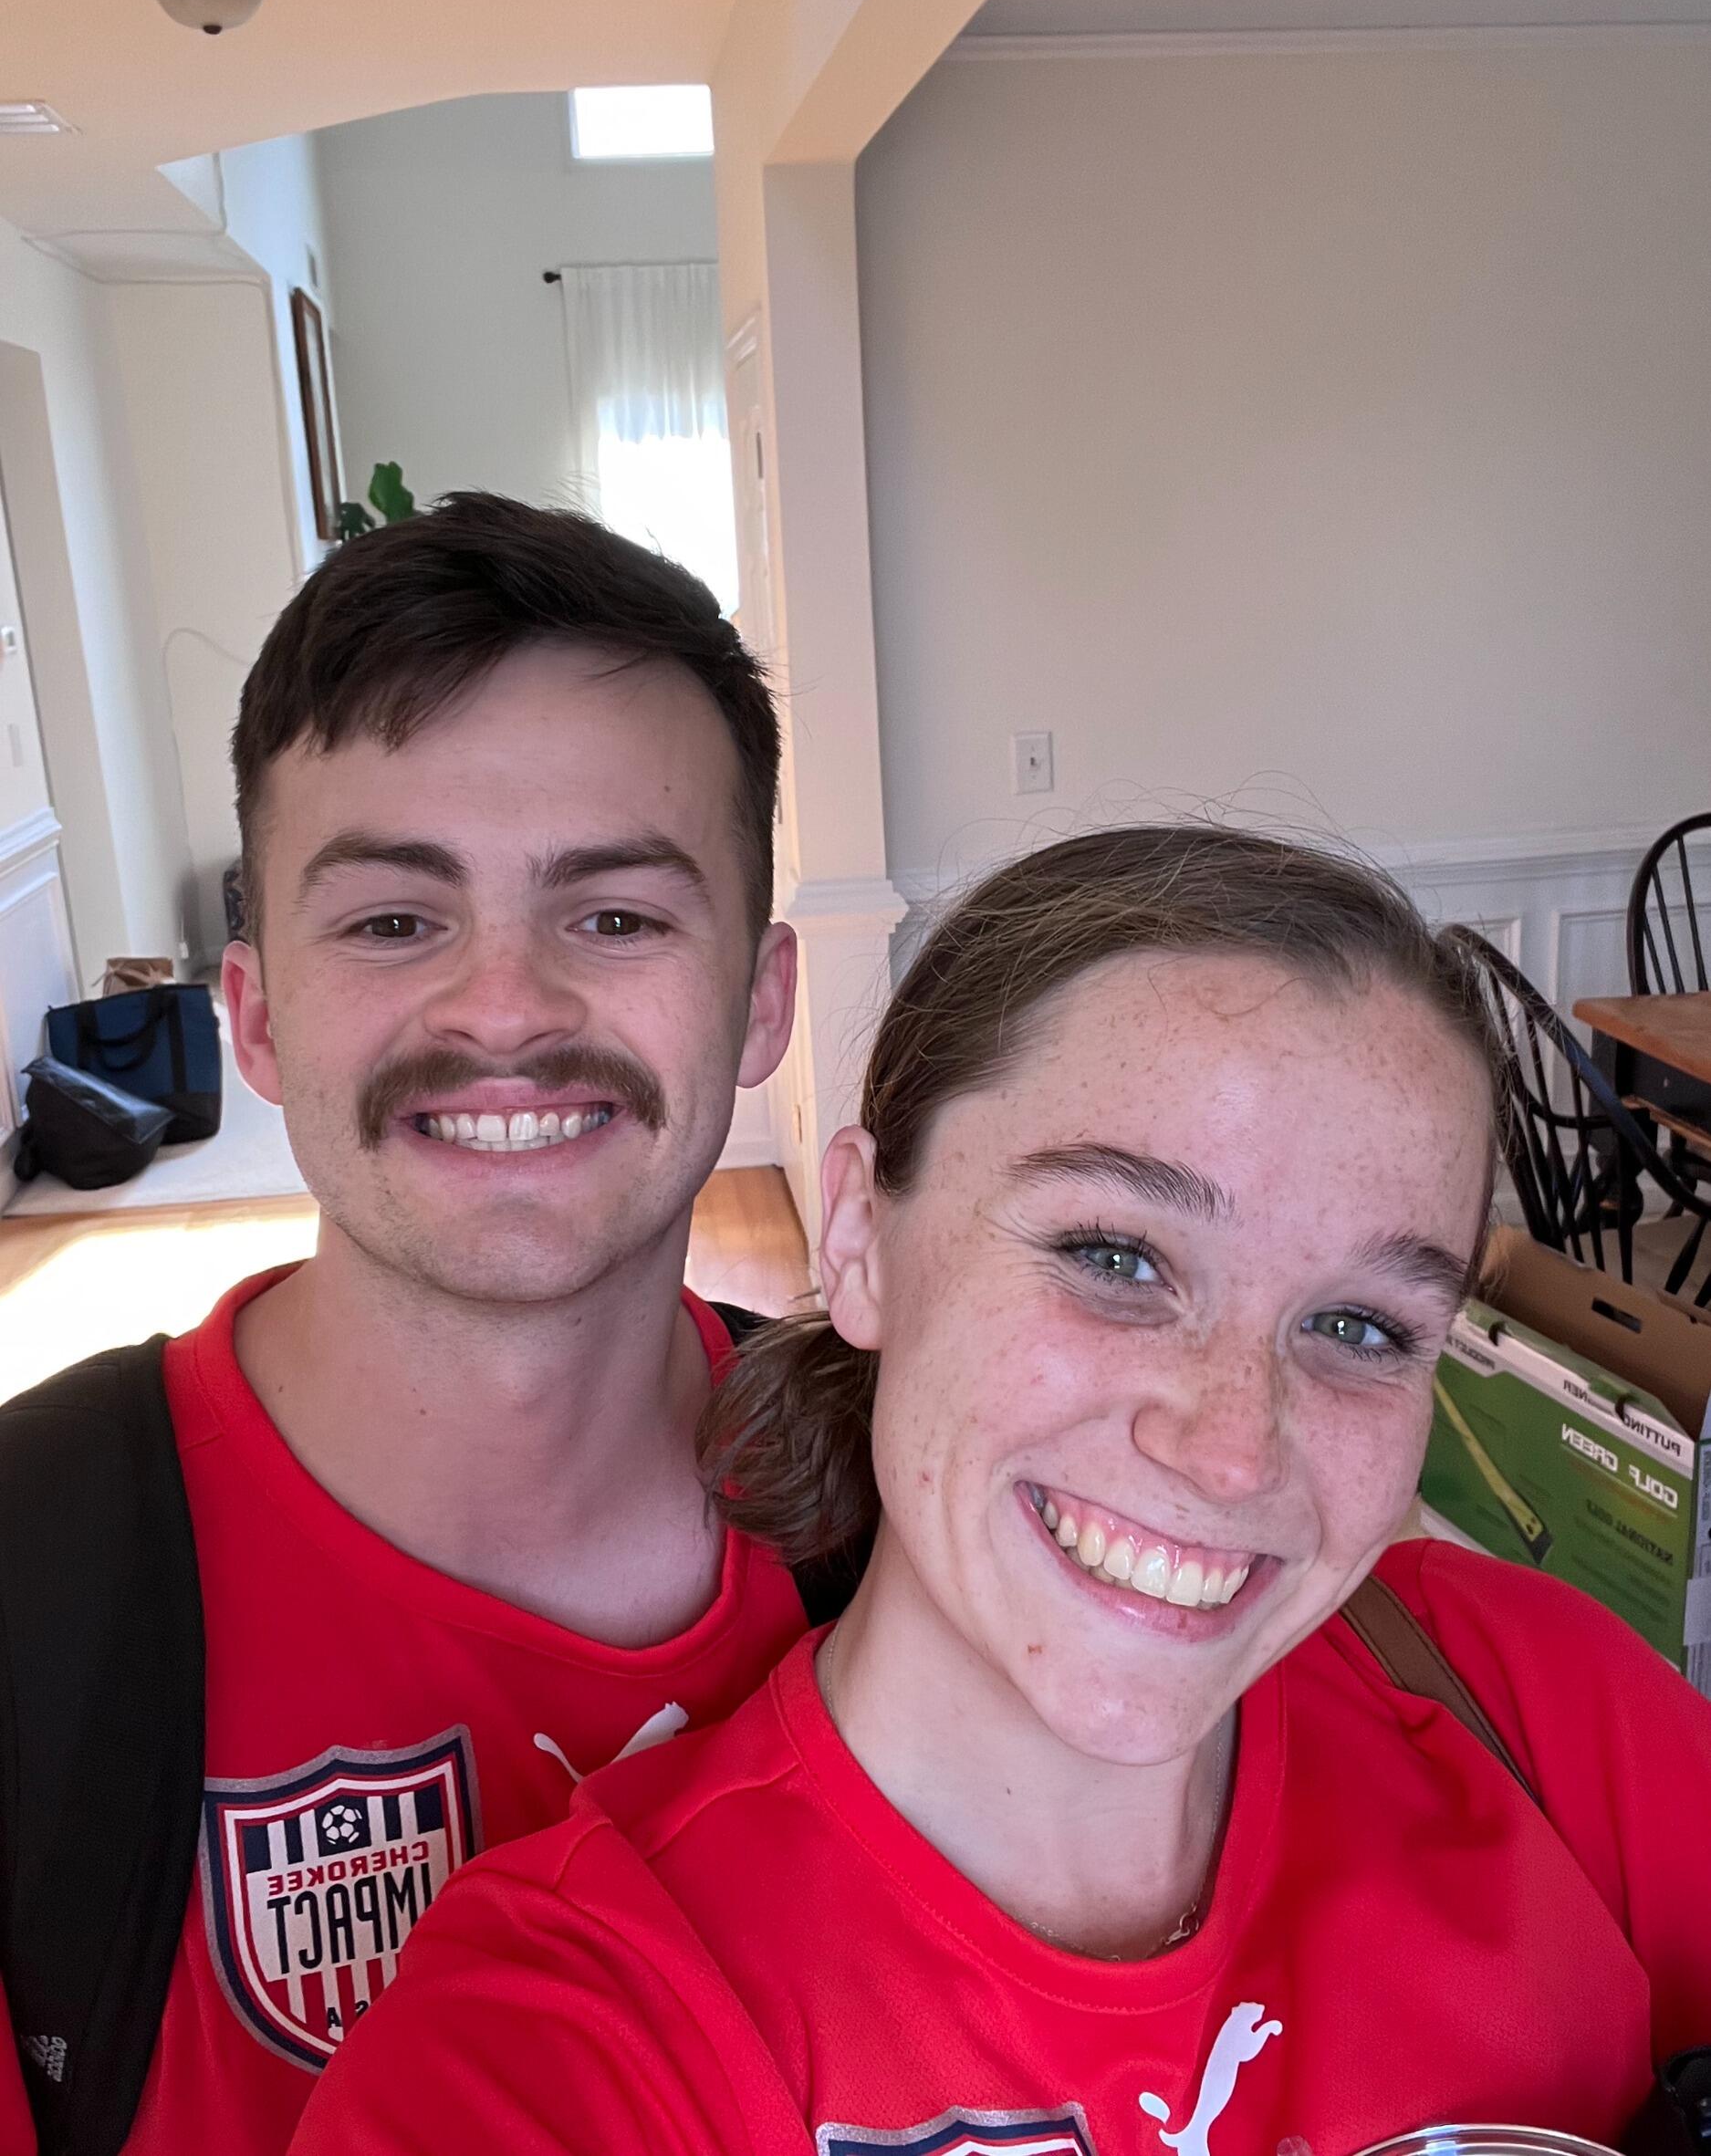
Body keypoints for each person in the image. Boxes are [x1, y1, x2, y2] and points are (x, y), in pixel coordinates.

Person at [293, 824, 1711, 2156]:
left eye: (1358, 1329)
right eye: (1117, 1255)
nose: (1232, 1450)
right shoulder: (570, 2035)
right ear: (858, 1237)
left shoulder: (1530, 1697)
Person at [0, 495, 807, 2156]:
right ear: (258, 1016)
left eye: (617, 914)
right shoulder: (30, 1578)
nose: (504, 1005)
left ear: (765, 1003)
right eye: (392, 920)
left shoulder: (925, 1506)